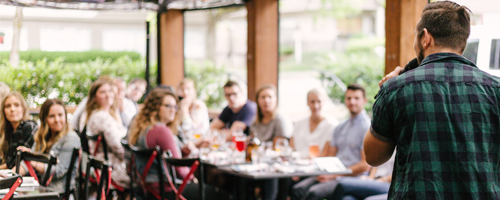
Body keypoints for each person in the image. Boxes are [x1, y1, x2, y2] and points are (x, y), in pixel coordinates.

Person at [364, 2, 500, 199]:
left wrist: (385, 94)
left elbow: (373, 156)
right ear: (462, 41)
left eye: (415, 35)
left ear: (426, 38)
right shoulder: (496, 89)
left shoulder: (397, 88)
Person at [292, 84, 371, 200]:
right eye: (349, 98)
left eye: (356, 98)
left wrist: (335, 175)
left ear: (364, 101)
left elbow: (365, 165)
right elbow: (330, 155)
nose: (352, 102)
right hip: (333, 174)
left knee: (314, 193)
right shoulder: (340, 127)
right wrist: (324, 172)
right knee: (298, 189)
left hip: (351, 178)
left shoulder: (367, 128)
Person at [128, 88, 197, 199]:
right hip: (165, 190)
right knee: (220, 193)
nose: (173, 110)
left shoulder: (143, 128)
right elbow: (179, 169)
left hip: (146, 188)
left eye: (175, 106)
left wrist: (183, 152)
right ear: (155, 107)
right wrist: (194, 178)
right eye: (168, 106)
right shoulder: (161, 130)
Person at [16, 99, 81, 192]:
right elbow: (27, 163)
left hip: (58, 192)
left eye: (60, 115)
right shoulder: (42, 135)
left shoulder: (71, 138)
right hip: (40, 188)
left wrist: (33, 162)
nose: (57, 120)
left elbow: (59, 171)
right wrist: (10, 176)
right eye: (52, 116)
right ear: (44, 118)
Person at [82, 77, 129, 189]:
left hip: (103, 166)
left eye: (110, 91)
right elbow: (119, 148)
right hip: (110, 169)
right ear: (94, 98)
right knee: (146, 178)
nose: (108, 95)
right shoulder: (102, 118)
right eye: (103, 92)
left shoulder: (102, 115)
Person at [250, 85, 294, 200]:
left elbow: (278, 148)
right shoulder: (254, 122)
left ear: (276, 99)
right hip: (258, 164)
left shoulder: (281, 120)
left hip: (276, 166)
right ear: (257, 101)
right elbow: (251, 145)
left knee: (270, 178)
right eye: (263, 97)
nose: (266, 100)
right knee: (241, 180)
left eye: (270, 97)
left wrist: (260, 149)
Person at [289, 87, 337, 159]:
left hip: (317, 167)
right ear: (307, 103)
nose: (315, 106)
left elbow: (326, 154)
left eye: (319, 101)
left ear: (324, 102)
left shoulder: (331, 124)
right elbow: (291, 148)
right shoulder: (299, 124)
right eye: (312, 102)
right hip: (296, 164)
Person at [0, 92, 37, 169]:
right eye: (8, 106)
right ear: (3, 110)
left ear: (23, 108)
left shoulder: (29, 126)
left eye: (16, 105)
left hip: (25, 176)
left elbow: (14, 161)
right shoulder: (6, 131)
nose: (12, 109)